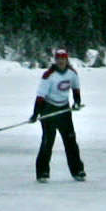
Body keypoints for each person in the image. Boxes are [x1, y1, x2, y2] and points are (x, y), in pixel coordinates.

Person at [32, 47, 85, 182]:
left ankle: (77, 170)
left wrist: (77, 102)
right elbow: (40, 96)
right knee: (47, 142)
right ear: (55, 60)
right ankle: (42, 172)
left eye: (63, 59)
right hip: (49, 109)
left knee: (70, 141)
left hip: (64, 110)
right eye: (58, 59)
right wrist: (35, 113)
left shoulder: (72, 73)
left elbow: (76, 88)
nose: (61, 61)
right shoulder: (48, 75)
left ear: (67, 60)